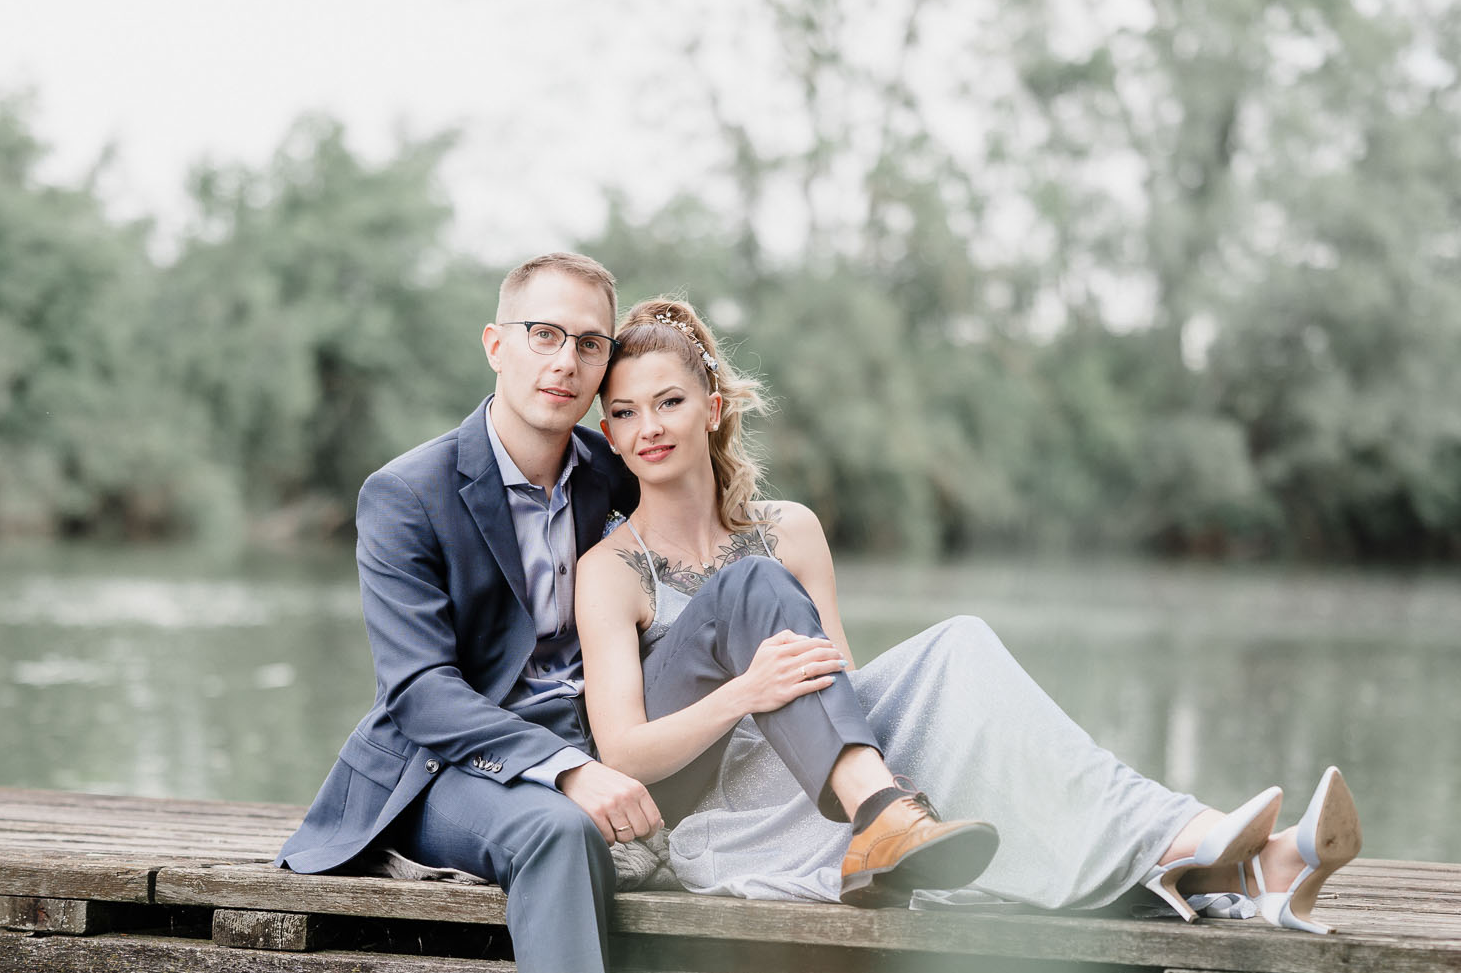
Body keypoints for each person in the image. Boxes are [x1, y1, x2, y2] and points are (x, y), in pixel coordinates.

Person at [574, 298, 1364, 930]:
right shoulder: (608, 571)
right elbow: (623, 755)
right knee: (749, 587)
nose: (649, 428)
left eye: (668, 402)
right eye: (625, 413)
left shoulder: (793, 530)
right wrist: (746, 692)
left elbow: (839, 689)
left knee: (960, 647)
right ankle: (886, 816)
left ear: (712, 408)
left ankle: (1249, 860)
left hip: (819, 785)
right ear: (606, 431)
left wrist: (939, 749)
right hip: (713, 808)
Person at [278, 253, 676, 973]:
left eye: (589, 342)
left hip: (597, 744)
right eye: (544, 334)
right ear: (497, 344)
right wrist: (568, 768)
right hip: (442, 768)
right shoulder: (406, 492)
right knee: (553, 832)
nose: (565, 361)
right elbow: (420, 692)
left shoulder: (613, 475)